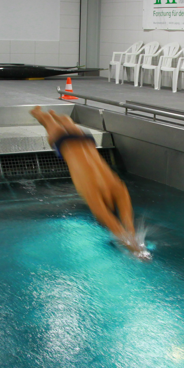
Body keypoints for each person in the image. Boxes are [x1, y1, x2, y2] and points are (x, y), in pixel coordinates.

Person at [30, 106, 147, 258]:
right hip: (65, 144)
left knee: (67, 123)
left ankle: (60, 118)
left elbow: (128, 224)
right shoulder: (94, 192)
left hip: (85, 139)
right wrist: (136, 251)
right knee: (45, 120)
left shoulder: (118, 187)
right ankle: (40, 113)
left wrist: (134, 242)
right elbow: (112, 222)